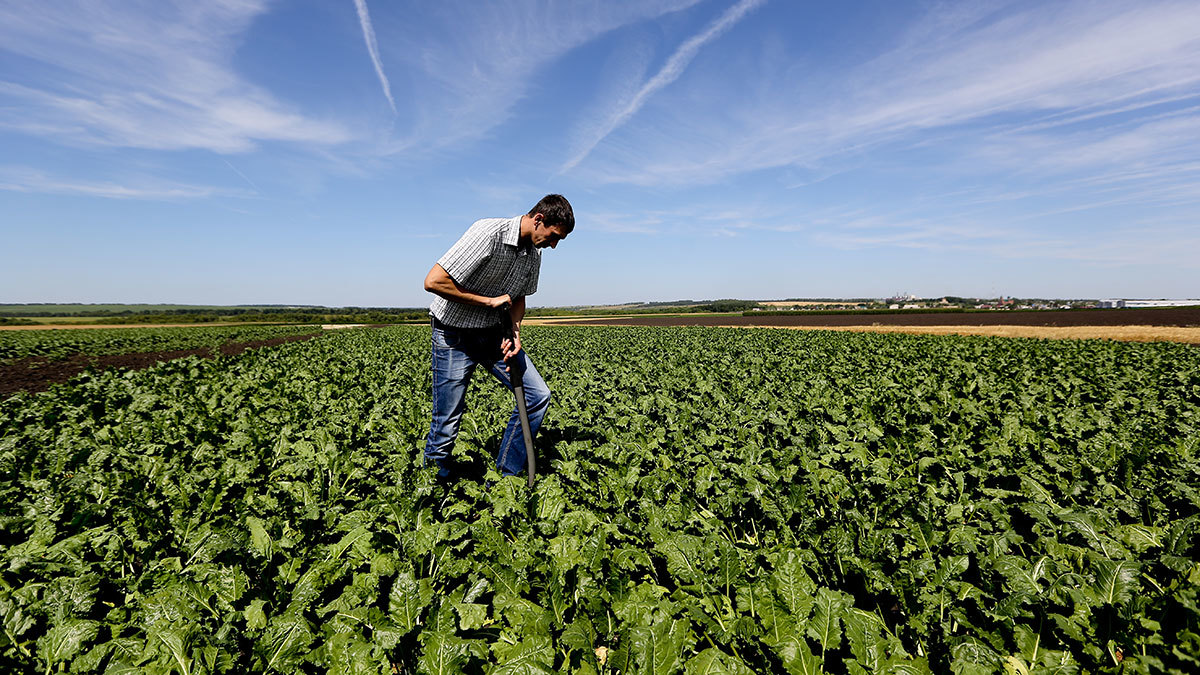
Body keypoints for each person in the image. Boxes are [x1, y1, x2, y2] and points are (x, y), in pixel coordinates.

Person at [422, 194, 574, 481]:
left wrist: (515, 332)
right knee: (447, 419)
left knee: (537, 395)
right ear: (538, 219)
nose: (554, 245)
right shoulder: (488, 233)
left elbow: (518, 298)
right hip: (453, 333)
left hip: (492, 334)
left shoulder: (534, 252)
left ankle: (509, 477)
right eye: (554, 237)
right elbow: (433, 281)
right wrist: (487, 301)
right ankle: (432, 487)